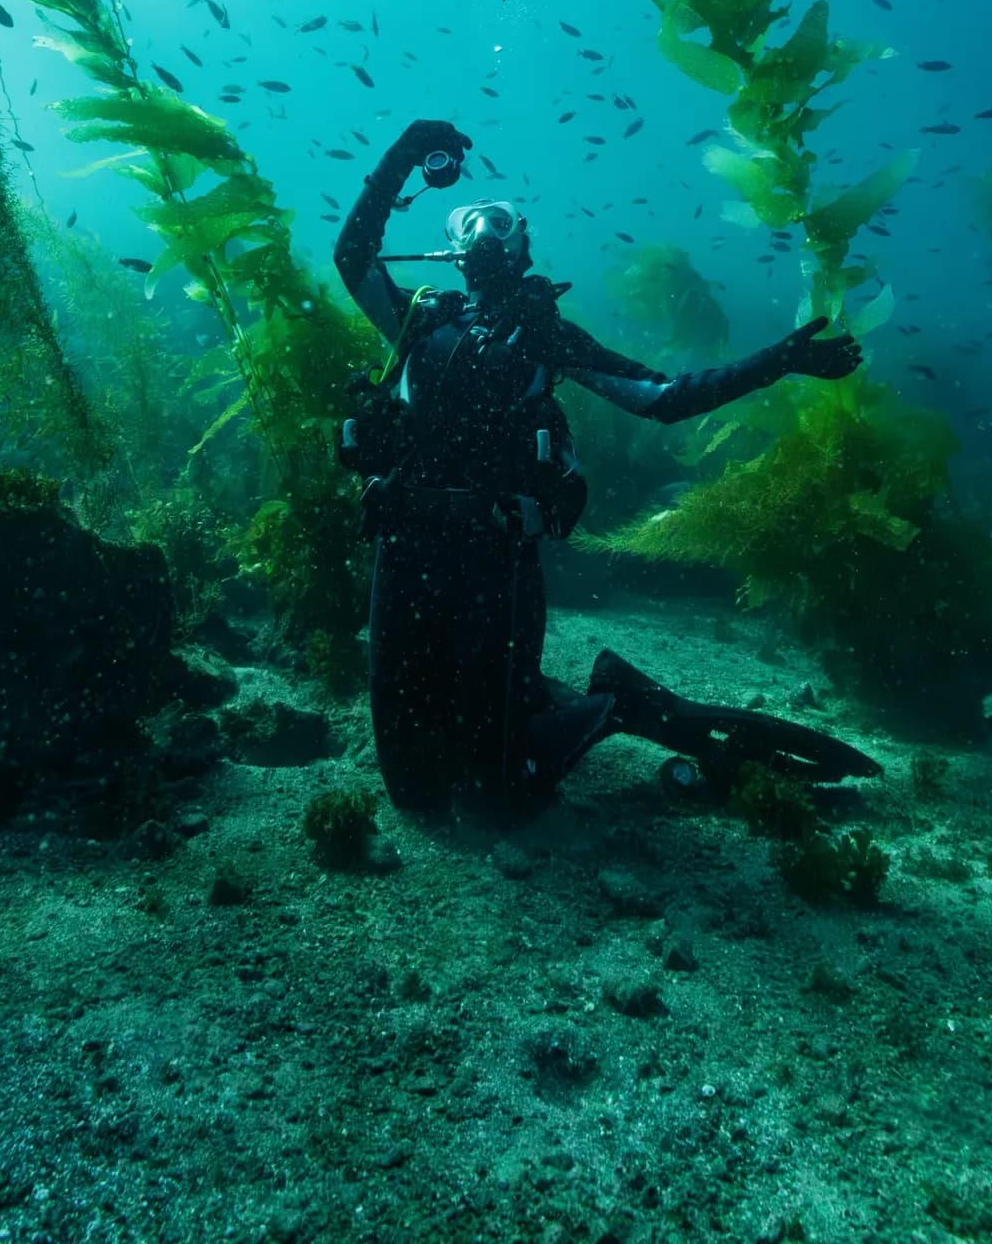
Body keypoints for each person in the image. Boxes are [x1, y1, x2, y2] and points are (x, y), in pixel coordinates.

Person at [334, 118, 881, 817]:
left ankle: (614, 700)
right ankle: (541, 701)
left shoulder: (547, 336)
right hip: (406, 545)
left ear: (522, 244)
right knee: (412, 786)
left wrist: (777, 361)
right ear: (452, 249)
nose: (481, 232)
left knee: (502, 793)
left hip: (495, 558)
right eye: (467, 222)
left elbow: (663, 398)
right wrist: (402, 156)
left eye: (498, 222)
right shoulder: (416, 320)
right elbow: (353, 254)